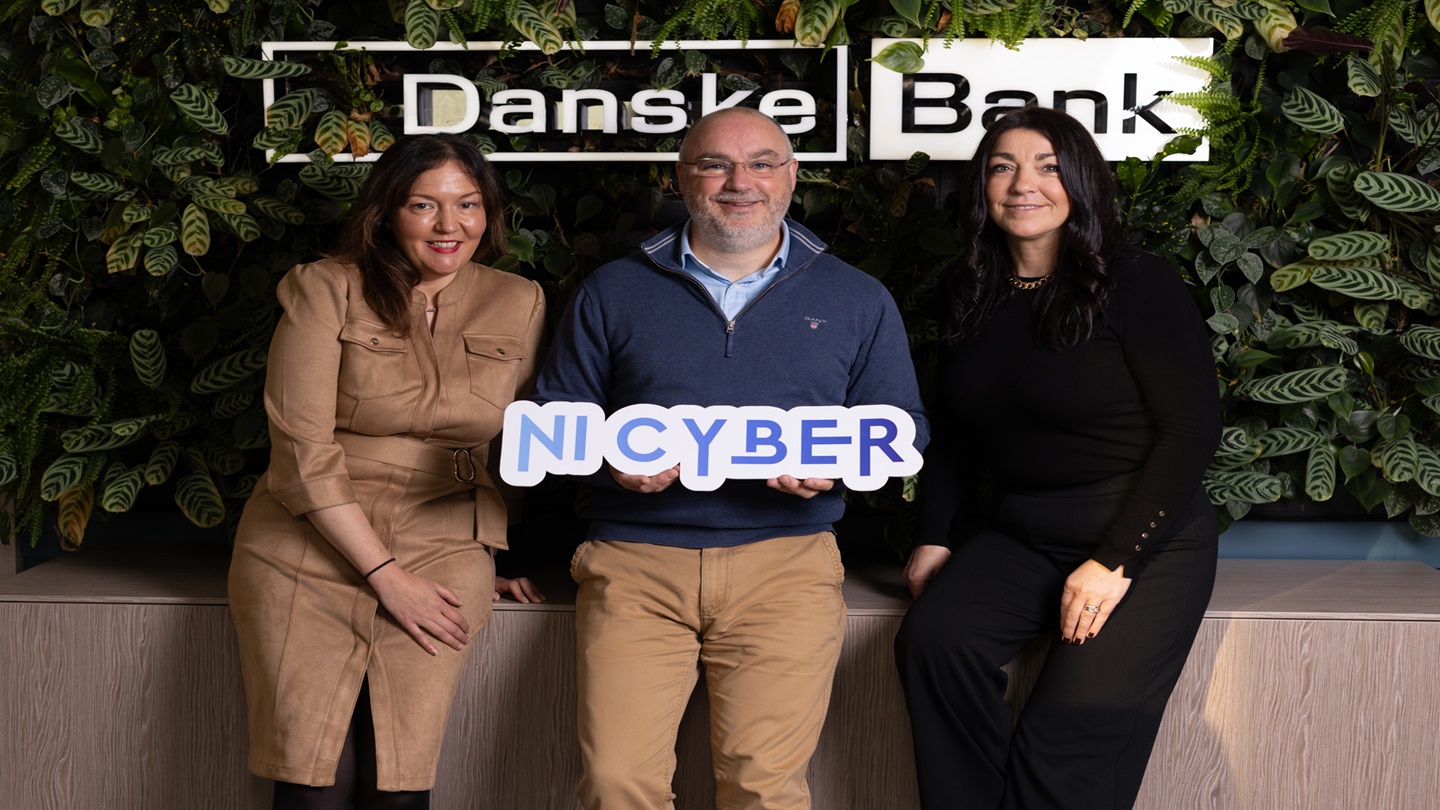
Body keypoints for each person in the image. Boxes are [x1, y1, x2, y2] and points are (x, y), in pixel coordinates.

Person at [533, 106, 928, 809]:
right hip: (635, 563)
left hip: (787, 565)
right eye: (714, 164)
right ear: (682, 178)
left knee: (764, 788)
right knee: (615, 783)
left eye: (761, 163)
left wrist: (837, 467)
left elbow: (905, 426)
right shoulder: (612, 290)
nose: (738, 182)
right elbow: (560, 417)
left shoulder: (857, 298)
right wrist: (606, 461)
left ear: (792, 176)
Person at [893, 105, 1221, 810]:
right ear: (981, 186)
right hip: (1021, 534)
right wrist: (931, 537)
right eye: (1002, 166)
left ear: (1080, 182)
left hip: (1142, 542)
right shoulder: (968, 290)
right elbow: (953, 432)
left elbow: (1190, 429)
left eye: (1046, 166)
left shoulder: (1139, 282)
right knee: (934, 641)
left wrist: (1116, 561)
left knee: (1063, 736)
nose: (1022, 184)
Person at [228, 134, 546, 810]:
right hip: (308, 538)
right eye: (423, 205)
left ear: (489, 212)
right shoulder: (323, 287)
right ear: (386, 213)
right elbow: (302, 452)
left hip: (447, 532)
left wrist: (506, 548)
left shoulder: (520, 299)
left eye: (467, 205)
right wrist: (385, 575)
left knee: (399, 776)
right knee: (311, 775)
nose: (448, 225)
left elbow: (516, 441)